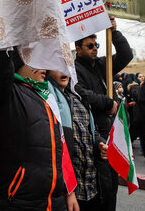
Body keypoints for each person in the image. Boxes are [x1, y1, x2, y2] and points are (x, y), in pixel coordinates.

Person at [0, 49, 78, 211]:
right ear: (19, 62)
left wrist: (68, 191)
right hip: (17, 202)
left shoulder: (46, 96)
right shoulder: (6, 93)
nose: (45, 67)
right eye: (36, 59)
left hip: (54, 202)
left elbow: (59, 152)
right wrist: (2, 44)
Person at [73, 16, 133, 211]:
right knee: (99, 189)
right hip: (93, 137)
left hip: (110, 135)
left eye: (96, 44)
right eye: (89, 46)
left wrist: (114, 32)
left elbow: (126, 55)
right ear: (79, 49)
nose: (95, 48)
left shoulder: (102, 64)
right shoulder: (73, 70)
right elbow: (80, 93)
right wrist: (108, 103)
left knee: (111, 188)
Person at [47, 70, 107, 211]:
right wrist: (68, 190)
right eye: (57, 66)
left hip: (92, 188)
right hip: (69, 192)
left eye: (66, 67)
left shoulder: (79, 99)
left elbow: (90, 132)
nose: (63, 71)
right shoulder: (47, 100)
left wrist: (100, 143)